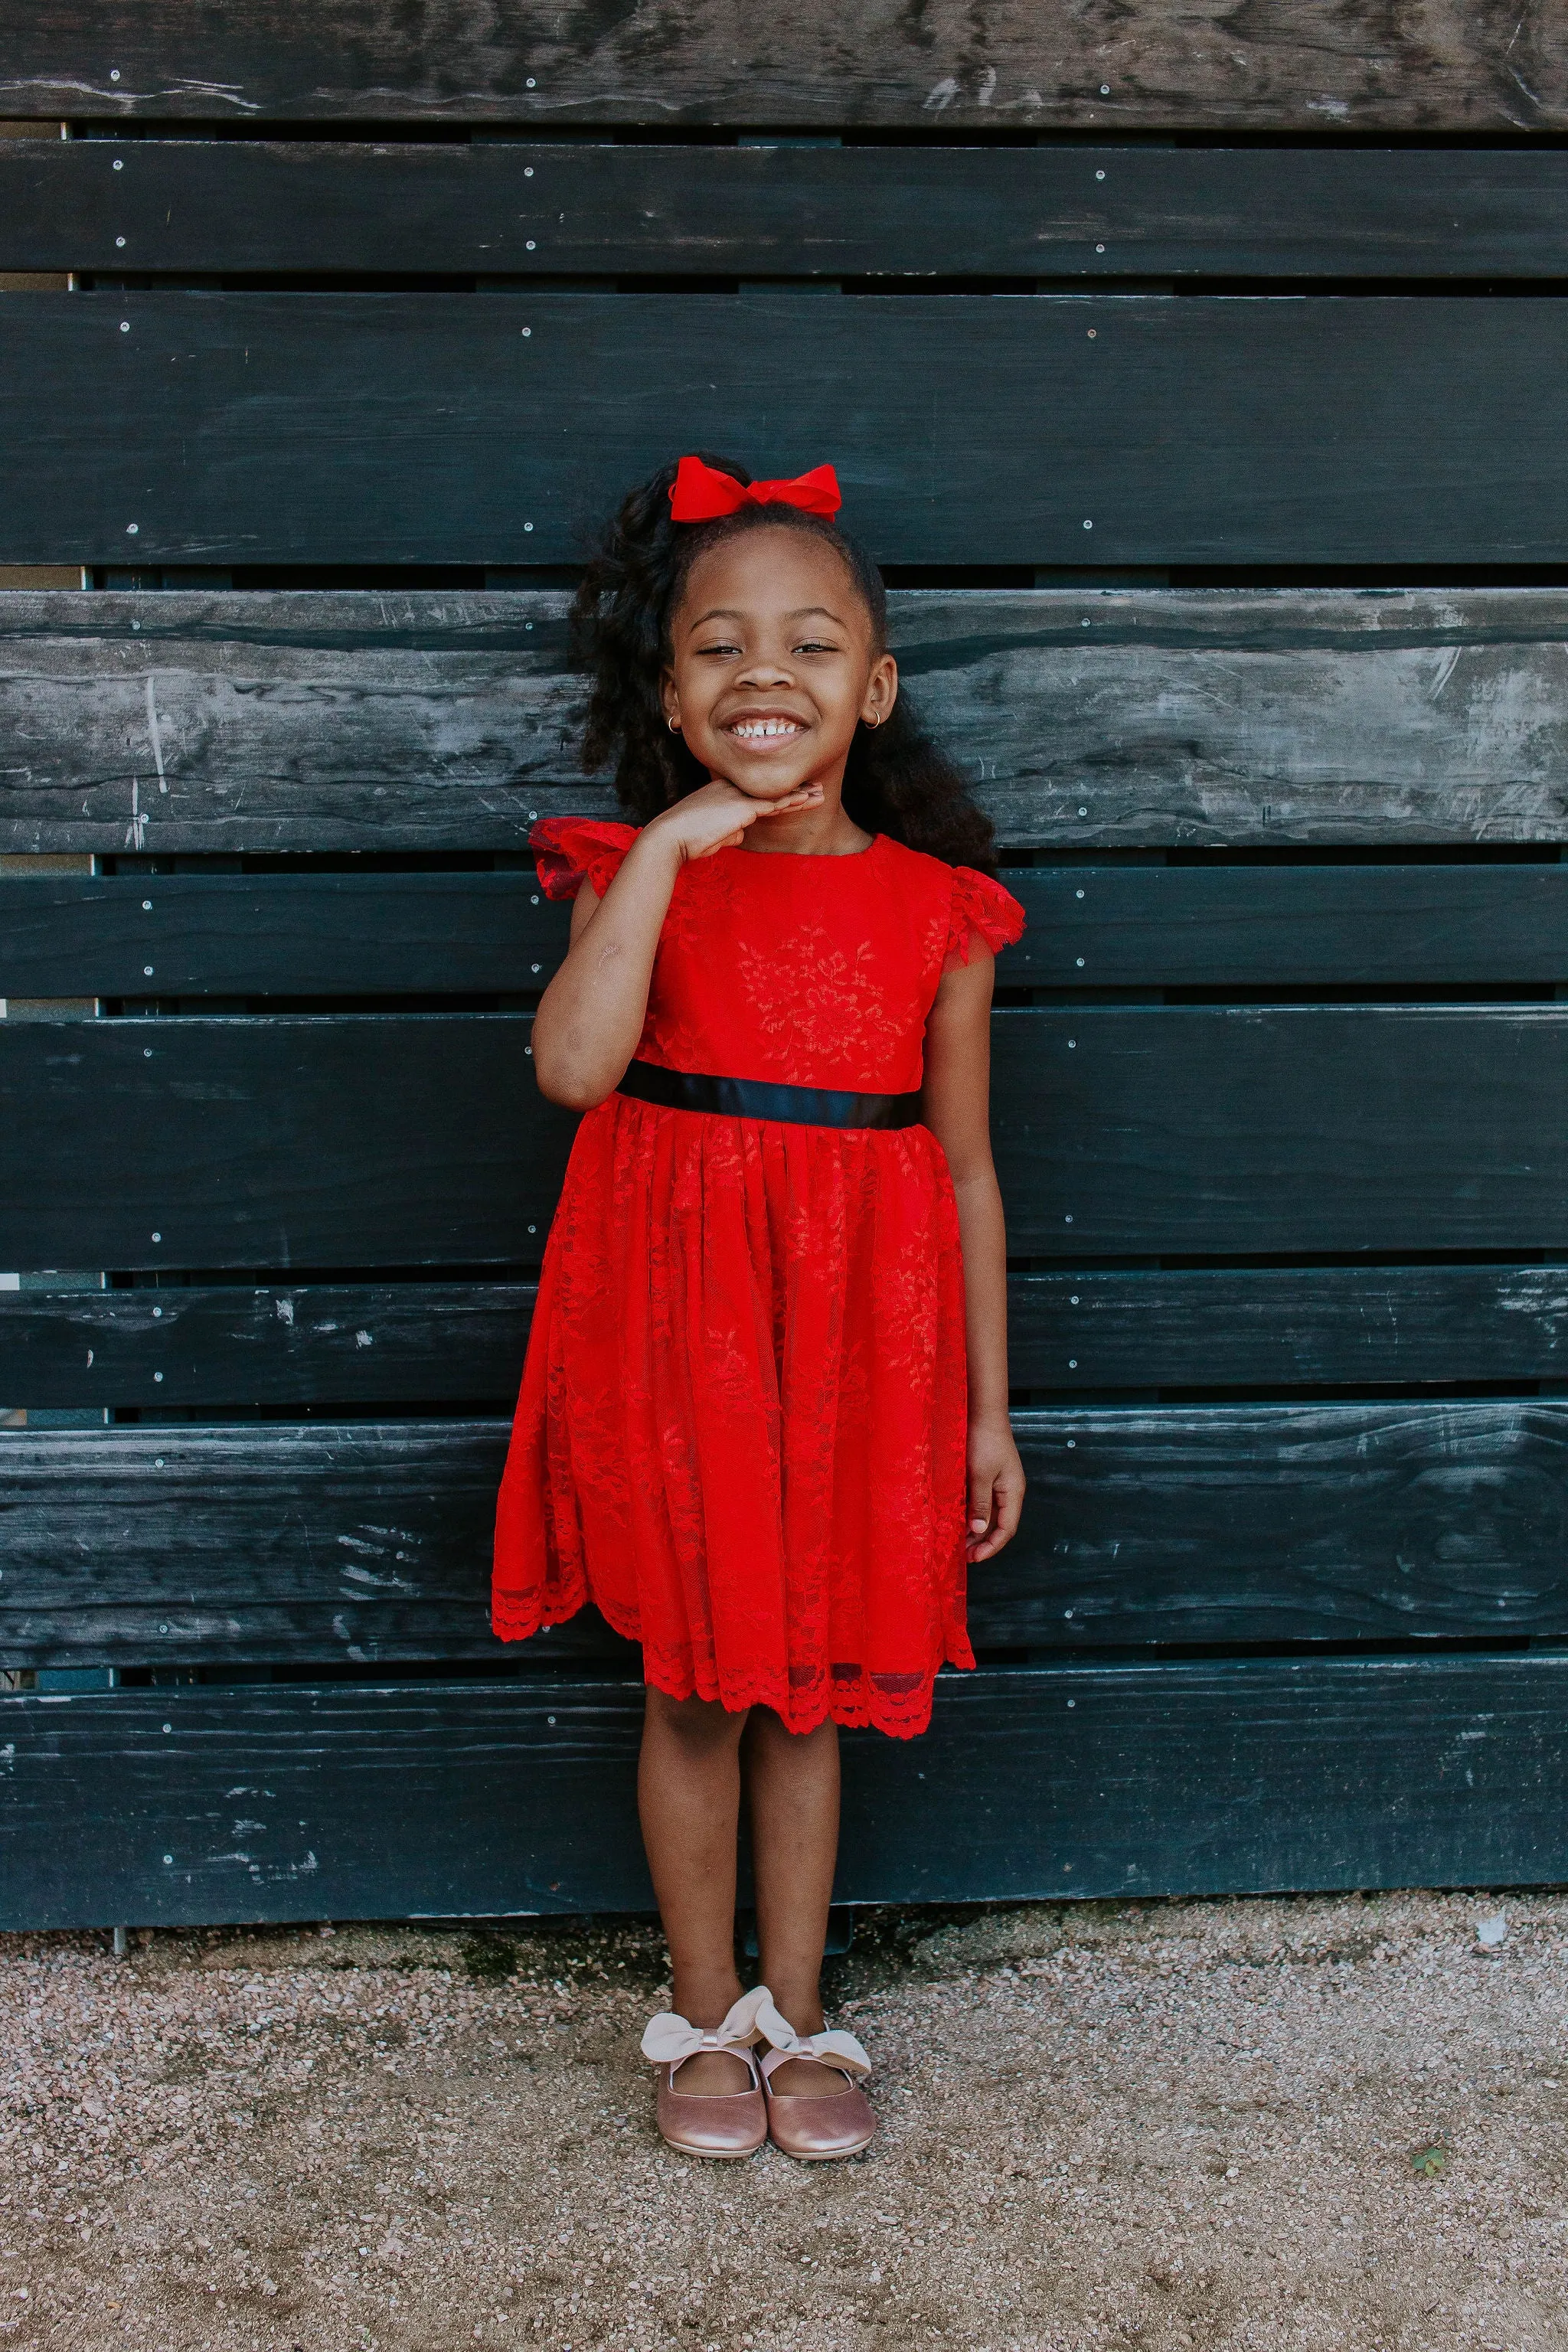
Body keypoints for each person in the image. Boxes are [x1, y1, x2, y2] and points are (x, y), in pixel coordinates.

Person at [492, 452, 1026, 2162]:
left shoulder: (940, 913)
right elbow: (574, 1073)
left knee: (811, 1689)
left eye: (808, 645)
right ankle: (700, 2013)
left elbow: (961, 1172)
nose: (762, 677)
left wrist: (985, 1412)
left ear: (871, 688)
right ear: (667, 692)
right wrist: (663, 847)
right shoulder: (626, 876)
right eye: (716, 647)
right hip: (672, 1337)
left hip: (865, 1342)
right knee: (694, 1686)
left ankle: (801, 2019)